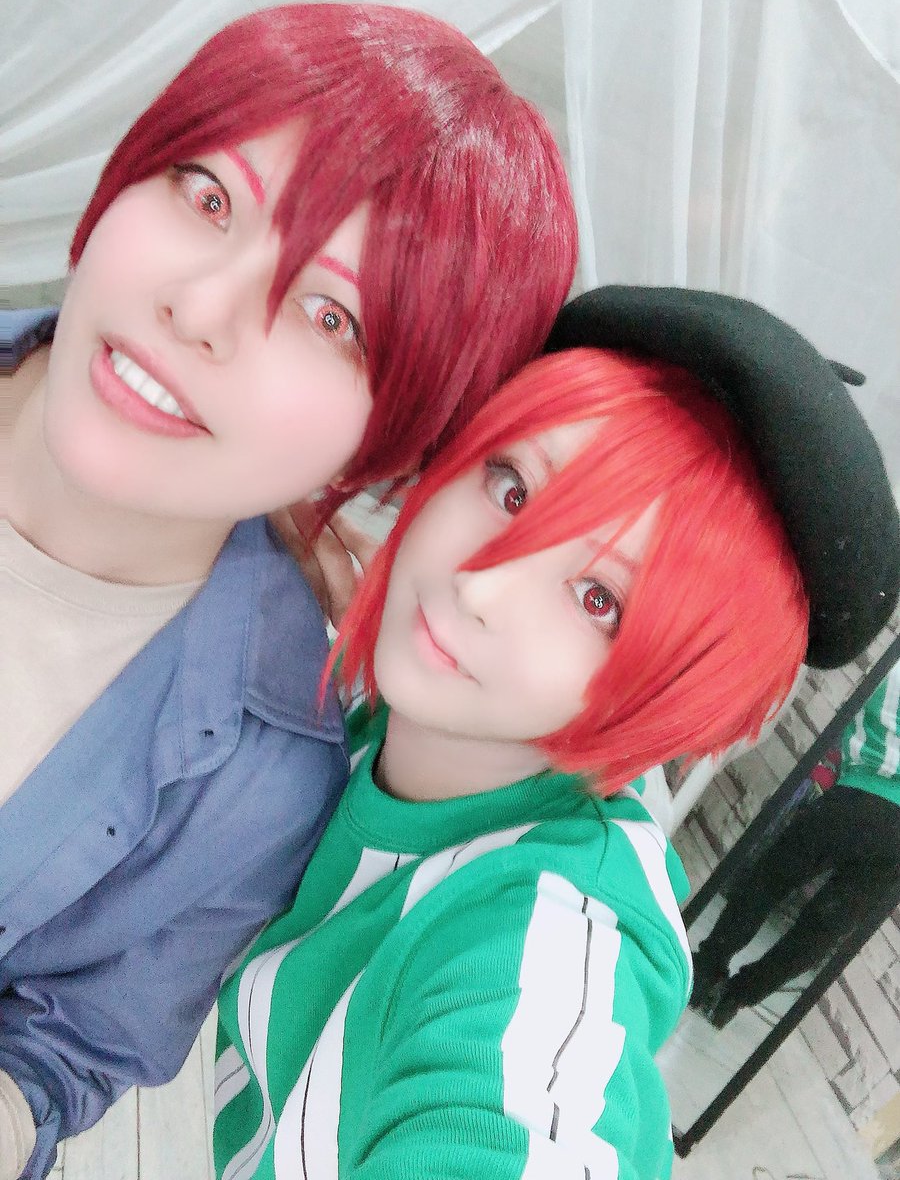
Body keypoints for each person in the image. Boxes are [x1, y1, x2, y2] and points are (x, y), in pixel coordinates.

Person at [0, 3, 578, 1178]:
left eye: (330, 317)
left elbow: (61, 1051)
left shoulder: (261, 779)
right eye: (209, 196)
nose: (200, 311)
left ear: (389, 444)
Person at [212, 286, 900, 1179]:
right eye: (512, 488)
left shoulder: (550, 935)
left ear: (668, 692)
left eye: (598, 599)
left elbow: (522, 1105)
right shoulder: (385, 698)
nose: (482, 586)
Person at [691, 660, 900, 1028]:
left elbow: (855, 716)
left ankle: (708, 969)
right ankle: (737, 996)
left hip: (859, 797)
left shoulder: (893, 667)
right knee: (824, 929)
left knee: (770, 879)